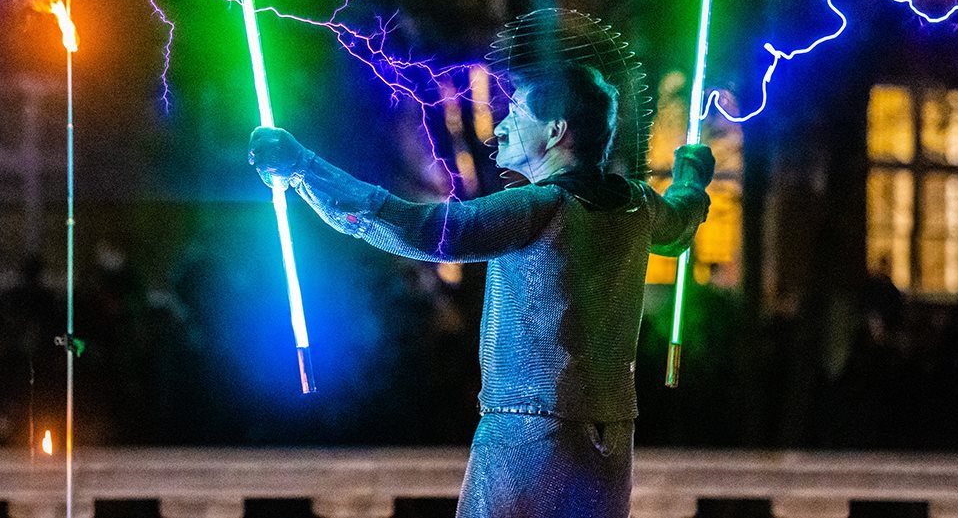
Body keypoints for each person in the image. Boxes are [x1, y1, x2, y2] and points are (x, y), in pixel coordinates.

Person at [248, 61, 714, 518]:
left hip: (527, 433)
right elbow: (681, 223)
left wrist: (304, 168)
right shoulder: (639, 205)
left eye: (517, 114)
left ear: (555, 132)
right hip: (611, 439)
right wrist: (692, 176)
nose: (501, 128)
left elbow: (419, 228)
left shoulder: (539, 207)